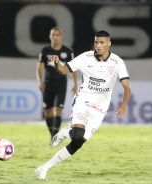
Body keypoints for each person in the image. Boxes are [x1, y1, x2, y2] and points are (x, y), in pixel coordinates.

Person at [34, 30, 131, 179]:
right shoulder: (85, 57)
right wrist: (56, 62)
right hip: (83, 101)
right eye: (96, 42)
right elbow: (63, 70)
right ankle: (49, 160)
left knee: (77, 143)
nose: (98, 45)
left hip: (100, 108)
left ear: (109, 43)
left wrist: (124, 104)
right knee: (78, 134)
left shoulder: (117, 63)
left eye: (102, 42)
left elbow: (126, 87)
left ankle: (59, 142)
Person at [36, 27, 78, 141]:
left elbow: (73, 69)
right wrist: (39, 81)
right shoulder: (45, 51)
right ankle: (52, 134)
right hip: (47, 85)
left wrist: (75, 84)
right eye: (53, 35)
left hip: (61, 85)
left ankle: (54, 136)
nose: (55, 37)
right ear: (50, 36)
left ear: (61, 36)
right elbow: (39, 68)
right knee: (48, 111)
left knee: (57, 110)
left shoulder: (68, 51)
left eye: (57, 35)